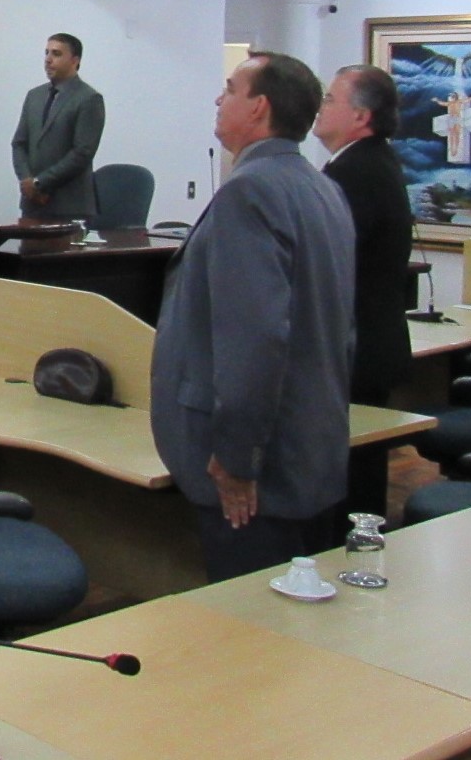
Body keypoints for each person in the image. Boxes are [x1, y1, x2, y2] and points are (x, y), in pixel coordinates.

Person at [151, 52, 355, 581]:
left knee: (253, 617)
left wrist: (237, 457)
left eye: (230, 89)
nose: (219, 99)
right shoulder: (322, 187)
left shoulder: (250, 191)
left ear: (259, 107)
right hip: (310, 444)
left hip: (259, 469)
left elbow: (255, 339)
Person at [314, 64, 415, 406]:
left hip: (355, 346)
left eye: (329, 100)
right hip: (369, 341)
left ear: (360, 116)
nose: (320, 108)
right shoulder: (373, 160)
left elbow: (329, 261)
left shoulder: (354, 172)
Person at [11, 33, 105, 219]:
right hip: (32, 203)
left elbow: (82, 153)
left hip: (69, 205)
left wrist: (39, 182)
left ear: (75, 60)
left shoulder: (88, 99)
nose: (48, 59)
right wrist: (27, 181)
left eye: (56, 54)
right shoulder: (34, 96)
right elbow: (19, 144)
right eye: (46, 53)